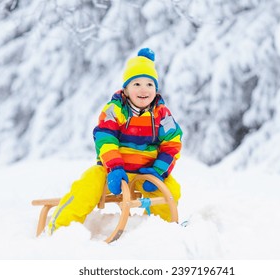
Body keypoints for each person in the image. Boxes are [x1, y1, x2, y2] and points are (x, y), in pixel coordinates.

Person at [47, 48, 183, 235]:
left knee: (170, 191)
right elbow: (105, 138)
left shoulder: (162, 114)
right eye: (136, 84)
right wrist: (114, 168)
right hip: (114, 171)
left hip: (147, 172)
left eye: (149, 84)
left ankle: (162, 230)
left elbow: (172, 143)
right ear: (125, 89)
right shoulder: (115, 110)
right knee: (88, 185)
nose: (144, 90)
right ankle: (60, 227)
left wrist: (159, 171)